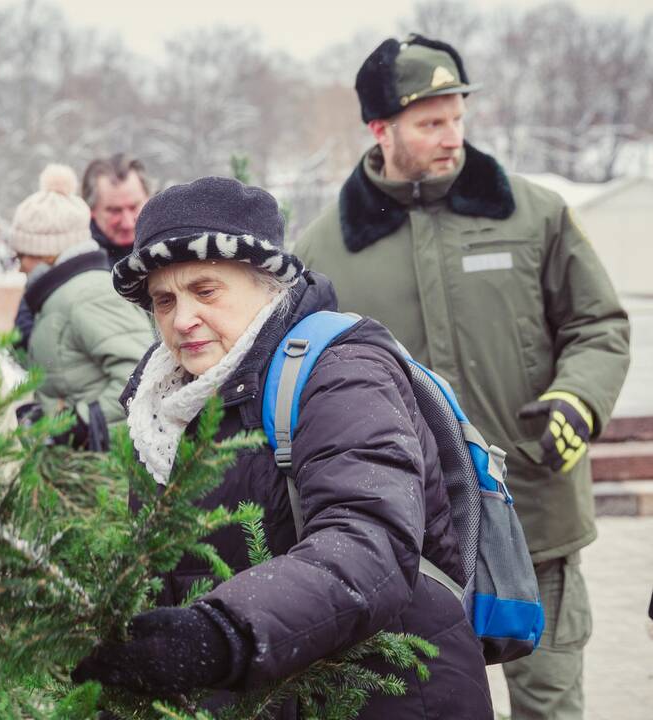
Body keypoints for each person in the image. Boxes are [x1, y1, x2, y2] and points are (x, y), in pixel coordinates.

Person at [295, 35, 631, 720]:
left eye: (458, 117)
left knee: (552, 708)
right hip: (406, 543)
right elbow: (298, 380)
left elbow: (599, 325)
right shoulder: (322, 252)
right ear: (381, 129)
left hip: (537, 520)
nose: (453, 136)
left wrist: (579, 400)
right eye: (431, 122)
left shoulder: (536, 215)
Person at [73, 176, 493, 718]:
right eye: (163, 299)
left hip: (390, 695)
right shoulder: (162, 406)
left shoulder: (340, 372)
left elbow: (368, 538)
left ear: (267, 281)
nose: (182, 319)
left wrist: (221, 634)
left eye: (205, 291)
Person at [8, 164, 153, 450]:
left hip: (106, 473)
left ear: (44, 253)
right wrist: (45, 416)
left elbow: (140, 373)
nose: (19, 266)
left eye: (21, 255)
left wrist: (81, 426)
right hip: (83, 467)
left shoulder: (88, 295)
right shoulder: (58, 297)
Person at [14, 153, 151, 348]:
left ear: (149, 198)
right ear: (90, 209)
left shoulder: (168, 248)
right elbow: (28, 330)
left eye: (134, 207)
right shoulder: (72, 255)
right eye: (114, 210)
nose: (128, 222)